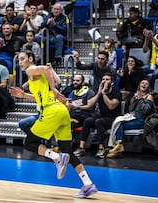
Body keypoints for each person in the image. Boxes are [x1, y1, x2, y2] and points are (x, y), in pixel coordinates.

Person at [10, 51, 98, 198]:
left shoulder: (31, 69)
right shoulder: (35, 76)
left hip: (51, 111)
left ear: (30, 59)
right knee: (67, 151)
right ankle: (88, 183)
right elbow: (44, 91)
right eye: (18, 59)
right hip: (62, 111)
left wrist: (53, 89)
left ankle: (56, 157)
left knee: (30, 142)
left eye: (22, 59)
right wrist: (24, 95)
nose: (20, 62)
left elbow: (46, 69)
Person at [73, 73, 122, 158]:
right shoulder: (100, 93)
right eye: (103, 79)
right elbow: (90, 104)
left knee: (99, 122)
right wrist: (99, 92)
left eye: (107, 80)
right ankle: (81, 148)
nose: (104, 81)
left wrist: (104, 93)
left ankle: (101, 149)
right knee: (88, 120)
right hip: (101, 116)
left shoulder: (117, 93)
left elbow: (111, 106)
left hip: (113, 119)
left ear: (112, 83)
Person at [107, 79, 155, 158]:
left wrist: (141, 99)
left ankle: (118, 145)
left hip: (142, 120)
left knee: (119, 124)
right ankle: (118, 145)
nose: (144, 85)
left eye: (146, 84)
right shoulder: (136, 95)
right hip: (133, 117)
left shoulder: (149, 97)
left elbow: (145, 111)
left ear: (148, 87)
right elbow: (131, 109)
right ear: (139, 85)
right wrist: (135, 99)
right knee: (118, 122)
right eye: (142, 83)